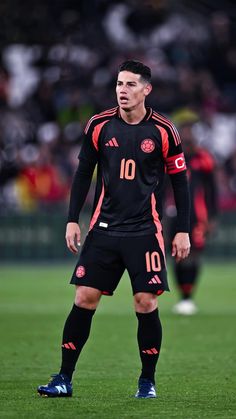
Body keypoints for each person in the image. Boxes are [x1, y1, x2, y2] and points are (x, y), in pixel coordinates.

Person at [37, 60, 191, 399]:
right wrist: (72, 218)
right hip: (104, 229)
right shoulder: (99, 125)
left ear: (146, 90)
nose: (123, 90)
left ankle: (147, 382)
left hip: (144, 230)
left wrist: (182, 229)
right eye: (119, 84)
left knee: (145, 303)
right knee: (84, 298)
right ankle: (64, 377)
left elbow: (181, 184)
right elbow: (81, 175)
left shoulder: (164, 131)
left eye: (131, 84)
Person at [167, 123, 218, 315]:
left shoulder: (203, 158)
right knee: (177, 255)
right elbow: (163, 187)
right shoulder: (171, 156)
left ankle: (188, 298)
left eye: (190, 133)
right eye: (185, 133)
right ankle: (183, 295)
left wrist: (212, 216)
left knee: (194, 254)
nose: (188, 137)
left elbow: (212, 189)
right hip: (174, 214)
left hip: (198, 216)